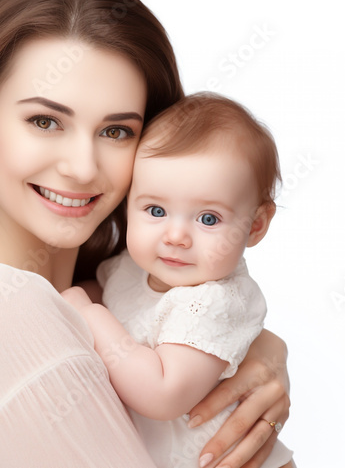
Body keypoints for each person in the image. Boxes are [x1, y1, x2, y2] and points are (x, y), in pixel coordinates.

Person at [0, 0, 291, 467]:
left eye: (117, 131)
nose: (82, 168)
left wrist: (253, 348)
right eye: (45, 120)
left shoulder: (103, 292)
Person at [61, 93, 294, 468]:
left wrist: (87, 314)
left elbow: (162, 394)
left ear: (255, 225)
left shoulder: (215, 301)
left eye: (208, 219)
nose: (176, 236)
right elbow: (103, 294)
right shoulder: (132, 267)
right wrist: (73, 299)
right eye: (156, 210)